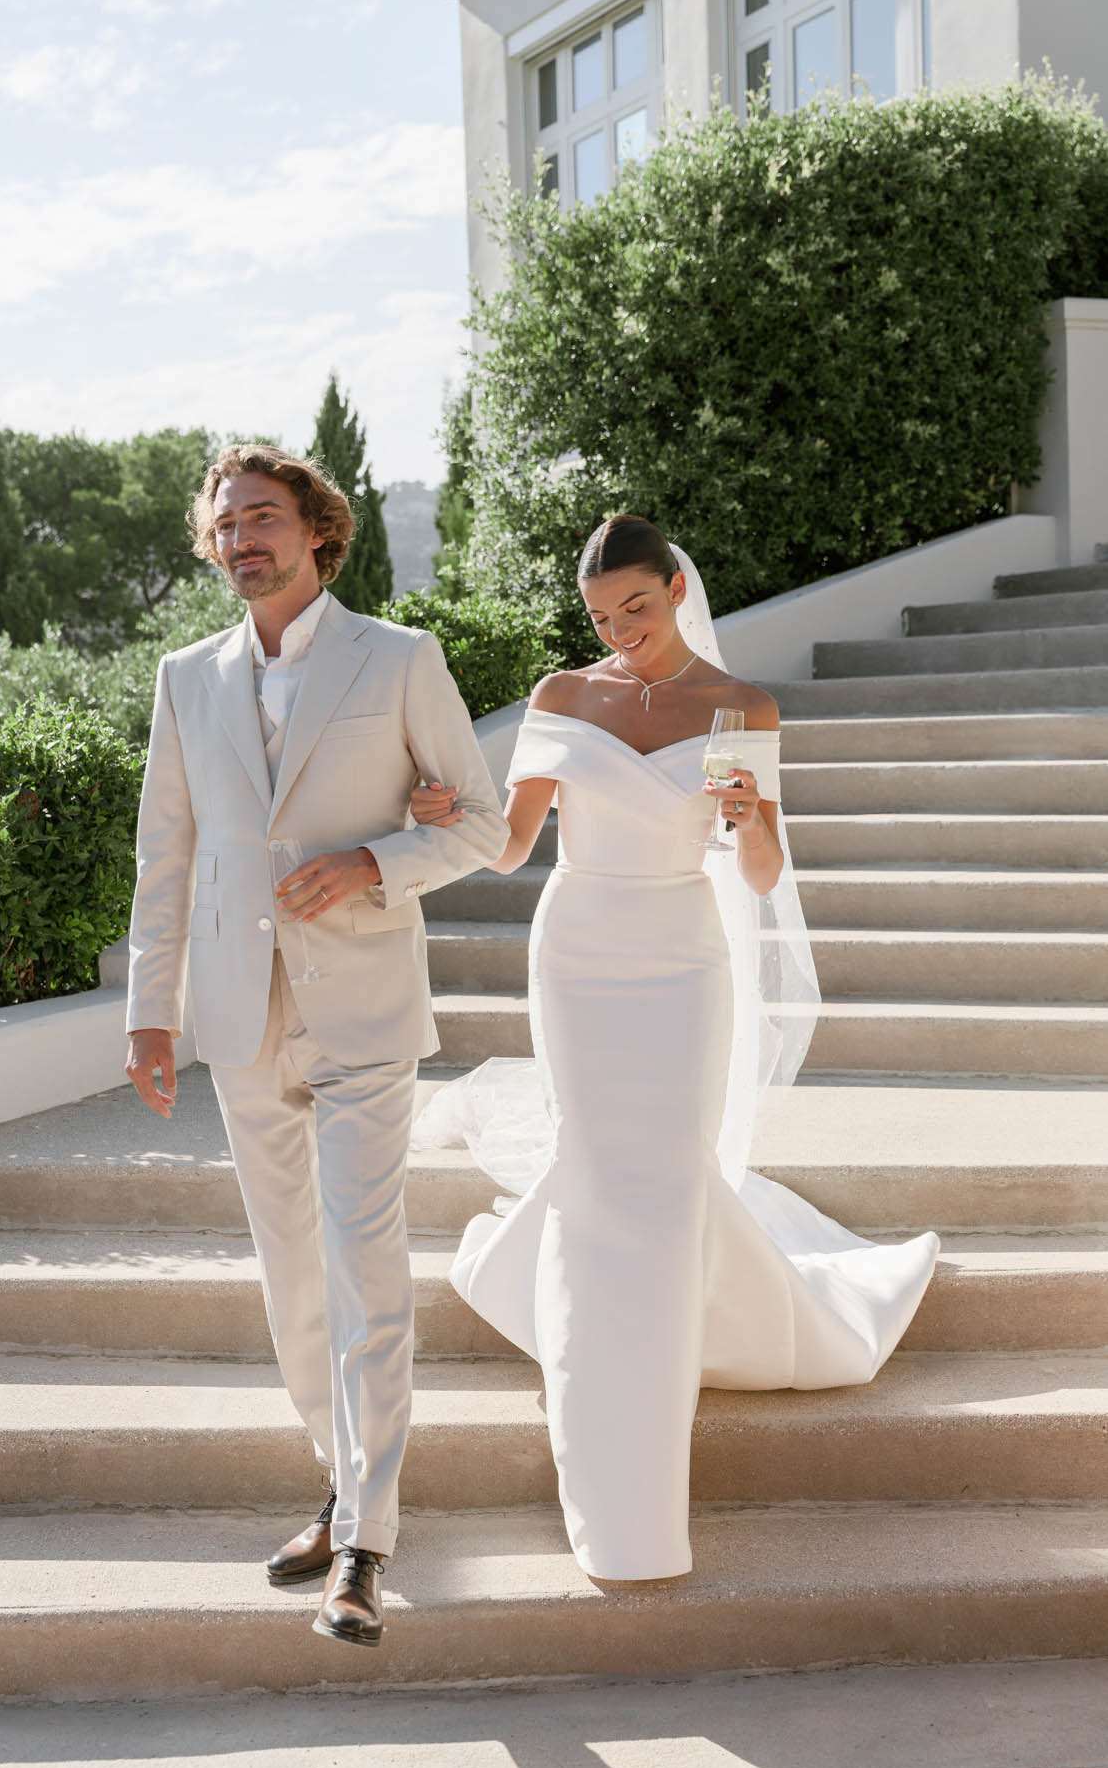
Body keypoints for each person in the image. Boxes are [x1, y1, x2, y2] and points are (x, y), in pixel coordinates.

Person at [410, 515, 939, 1582]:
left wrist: (747, 819)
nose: (621, 632)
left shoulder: (741, 707)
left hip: (682, 956)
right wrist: (440, 812)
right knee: (605, 1168)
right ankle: (617, 1475)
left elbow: (758, 871)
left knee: (664, 1171)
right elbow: (513, 847)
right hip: (579, 951)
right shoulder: (564, 698)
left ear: (677, 587)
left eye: (636, 609)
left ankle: (652, 1406)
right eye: (602, 617)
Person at [125, 445, 508, 1645]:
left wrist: (378, 863)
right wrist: (151, 1007)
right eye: (226, 521)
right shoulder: (187, 676)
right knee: (292, 1272)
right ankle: (340, 1477)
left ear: (316, 531)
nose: (243, 537)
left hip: (362, 1008)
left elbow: (485, 824)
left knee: (363, 1261)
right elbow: (166, 850)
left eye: (264, 517)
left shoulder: (397, 658)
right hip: (241, 1014)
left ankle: (365, 1544)